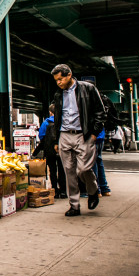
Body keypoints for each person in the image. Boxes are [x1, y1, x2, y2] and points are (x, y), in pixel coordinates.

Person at [51, 64, 106, 217]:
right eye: (56, 80)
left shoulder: (88, 88)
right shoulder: (58, 94)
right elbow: (57, 118)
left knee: (84, 169)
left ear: (69, 75)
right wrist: (57, 140)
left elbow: (100, 112)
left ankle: (93, 191)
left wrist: (94, 133)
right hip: (64, 134)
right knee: (69, 172)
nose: (58, 82)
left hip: (84, 135)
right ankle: (74, 205)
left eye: (60, 79)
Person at [33, 104, 66, 198]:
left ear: (50, 112)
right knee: (62, 170)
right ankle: (63, 191)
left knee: (52, 170)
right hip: (61, 148)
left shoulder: (46, 122)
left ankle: (54, 190)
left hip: (49, 150)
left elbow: (41, 136)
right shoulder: (63, 121)